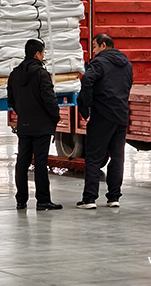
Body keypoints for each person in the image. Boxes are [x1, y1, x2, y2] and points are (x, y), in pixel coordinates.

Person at [76, 33, 133, 209]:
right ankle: (114, 197)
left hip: (102, 115)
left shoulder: (99, 63)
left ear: (103, 45)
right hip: (121, 115)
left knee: (94, 157)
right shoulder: (127, 64)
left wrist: (88, 104)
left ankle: (89, 199)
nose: (93, 50)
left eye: (94, 46)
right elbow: (128, 85)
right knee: (117, 158)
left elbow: (86, 81)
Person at [7, 39, 62, 211]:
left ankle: (21, 200)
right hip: (42, 126)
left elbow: (11, 100)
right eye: (43, 53)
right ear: (37, 54)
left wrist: (23, 114)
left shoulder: (14, 74)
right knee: (40, 163)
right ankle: (43, 200)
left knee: (22, 163)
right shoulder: (41, 74)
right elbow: (49, 99)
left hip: (24, 125)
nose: (43, 56)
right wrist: (55, 117)